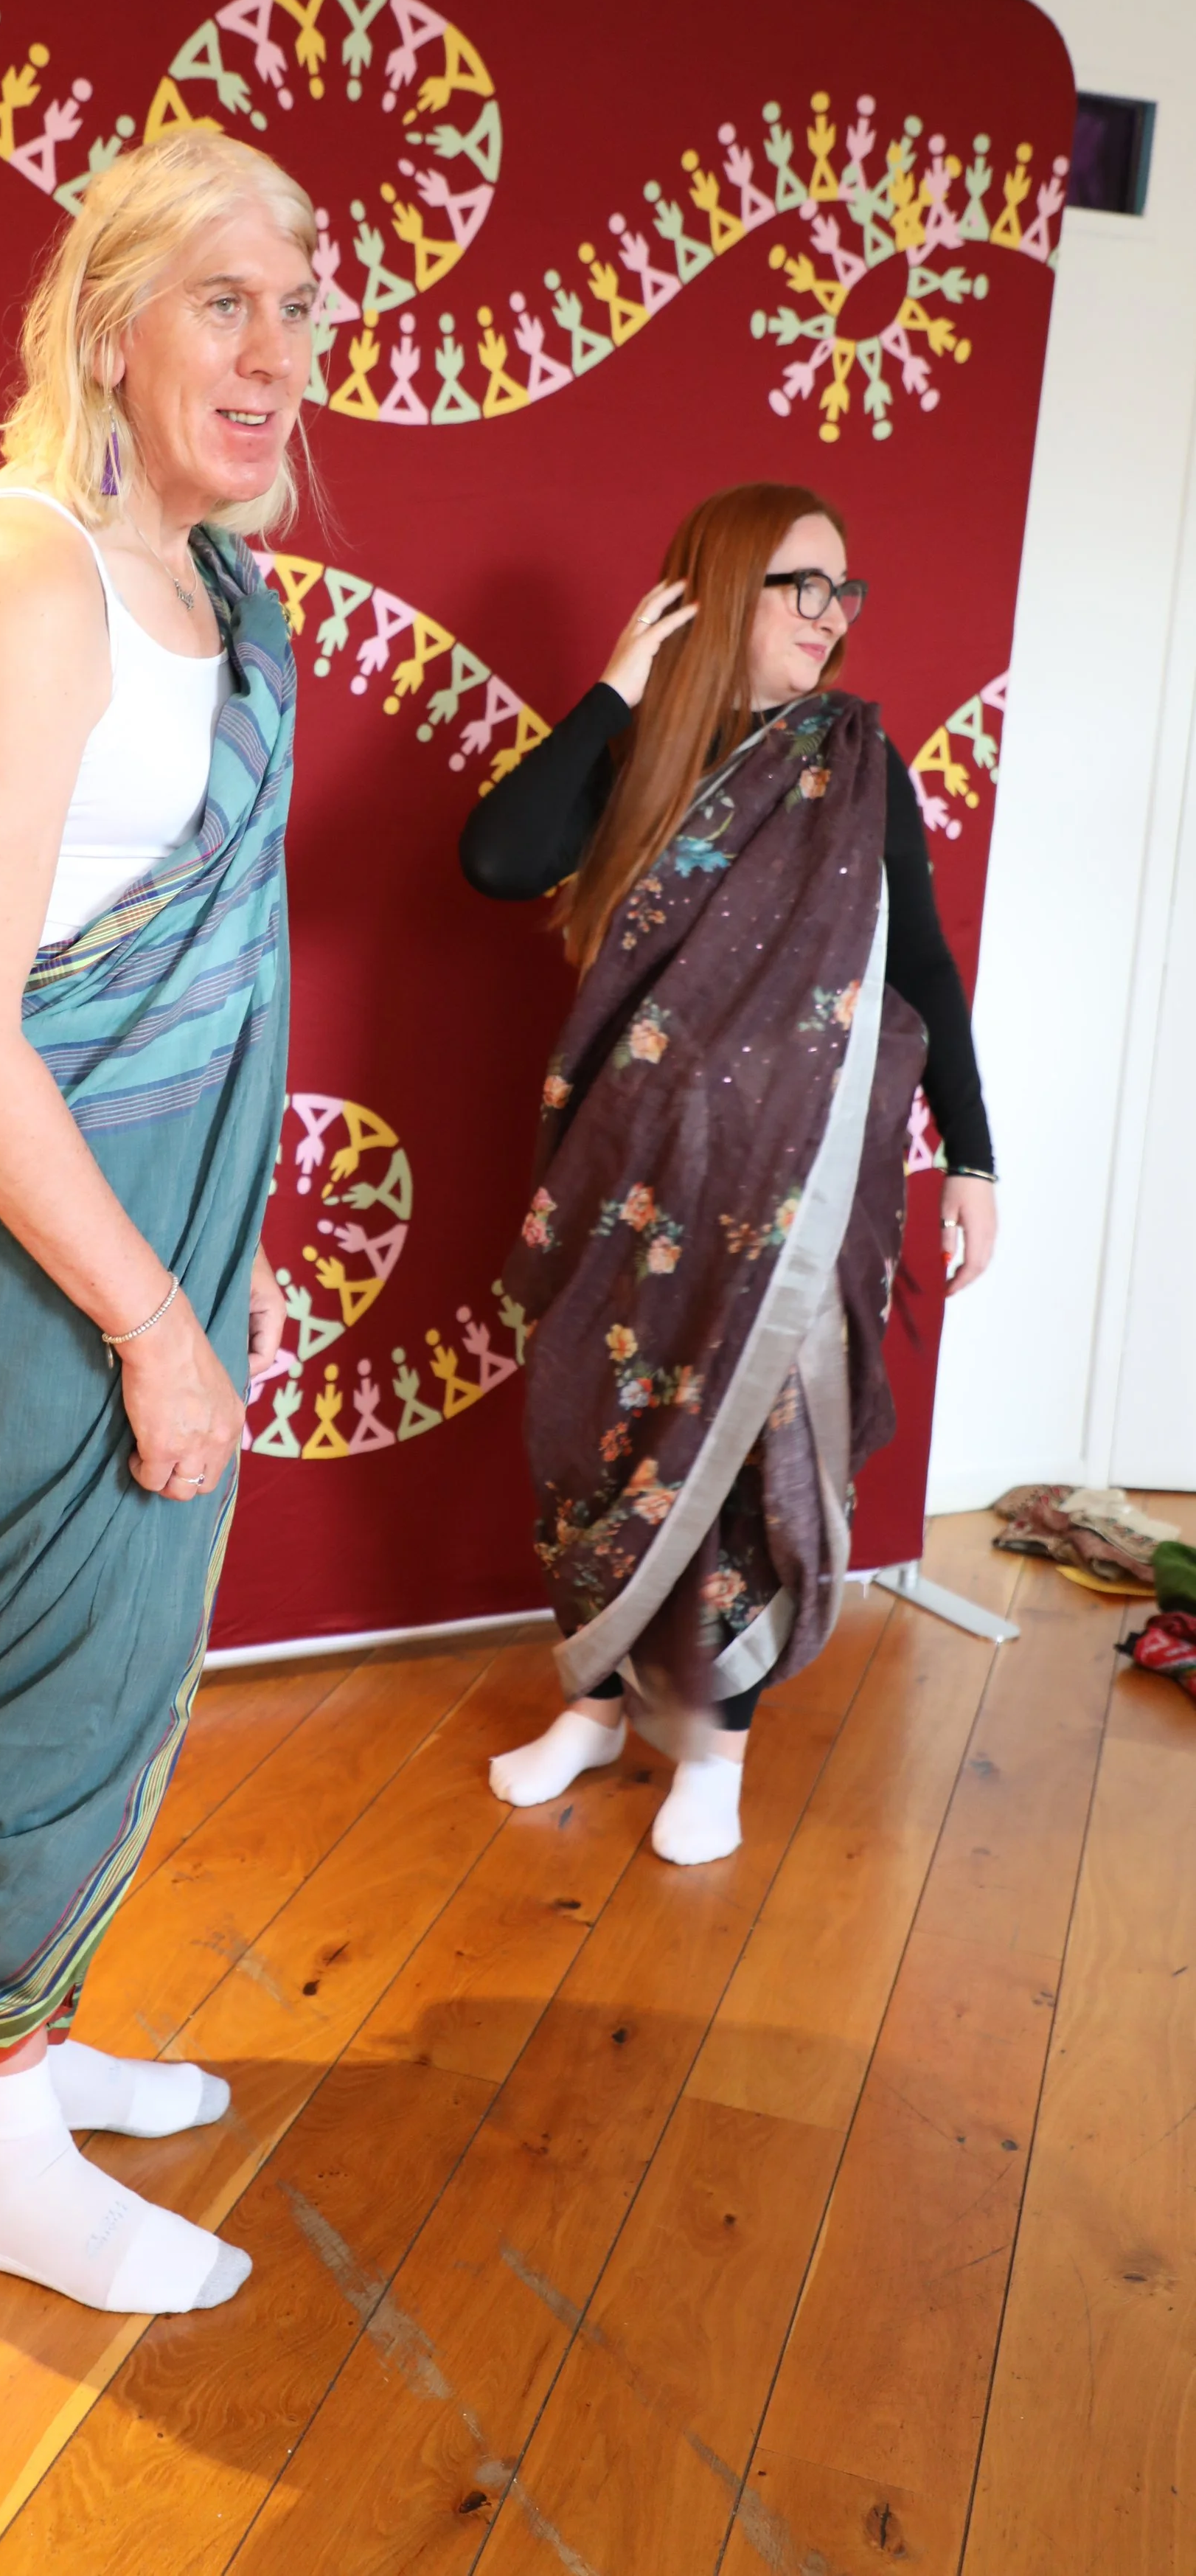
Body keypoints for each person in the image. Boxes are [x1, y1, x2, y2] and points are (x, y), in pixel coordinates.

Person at [0, 134, 318, 2313]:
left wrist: (226, 1250)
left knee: (111, 1651)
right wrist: (150, 1319)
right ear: (107, 323)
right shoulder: (24, 568)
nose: (279, 354)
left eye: (301, 311)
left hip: (138, 1219)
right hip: (17, 1242)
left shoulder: (223, 595)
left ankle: (25, 2050)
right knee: (26, 1662)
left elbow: (208, 973)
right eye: (227, 301)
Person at [461, 483, 998, 1867]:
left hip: (794, 1202)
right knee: (593, 1447)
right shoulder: (647, 758)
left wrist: (973, 1156)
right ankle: (590, 1707)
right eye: (798, 586)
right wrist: (619, 689)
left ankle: (718, 1749)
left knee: (747, 1456)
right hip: (620, 1188)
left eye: (843, 589)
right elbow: (498, 856)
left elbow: (925, 967)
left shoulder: (856, 766)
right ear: (714, 595)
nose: (831, 617)